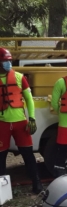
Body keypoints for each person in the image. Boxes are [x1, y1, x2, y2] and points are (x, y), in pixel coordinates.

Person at [0, 48, 43, 194]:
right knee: (1, 158)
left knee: (28, 155)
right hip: (2, 124)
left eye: (9, 61)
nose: (8, 63)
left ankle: (36, 183)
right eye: (5, 61)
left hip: (21, 123)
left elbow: (29, 99)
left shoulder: (19, 77)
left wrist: (32, 118)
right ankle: (3, 192)